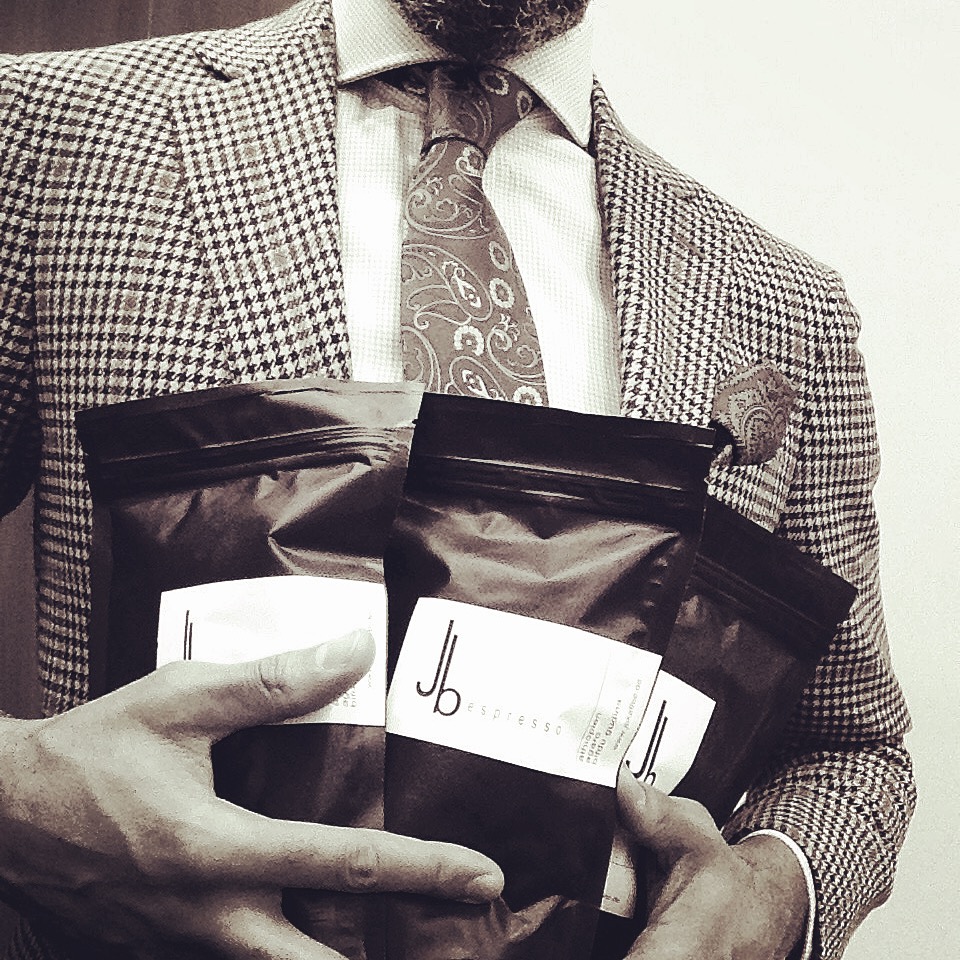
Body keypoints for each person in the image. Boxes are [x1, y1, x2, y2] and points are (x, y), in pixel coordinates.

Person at [0, 0, 915, 958]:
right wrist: (17, 792)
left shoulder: (786, 303)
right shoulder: (54, 136)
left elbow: (852, 748)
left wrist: (774, 897)